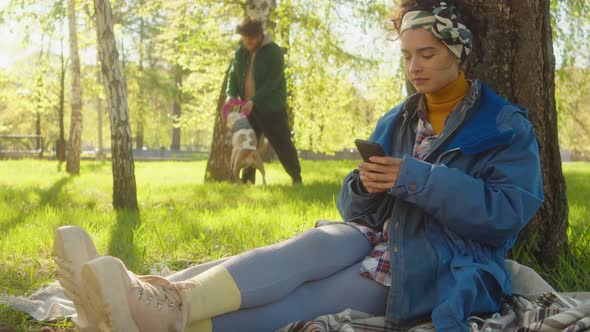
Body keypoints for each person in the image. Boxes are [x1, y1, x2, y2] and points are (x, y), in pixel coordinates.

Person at [53, 1, 544, 331]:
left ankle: (147, 315)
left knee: (315, 295)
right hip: (377, 233)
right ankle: (137, 292)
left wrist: (416, 178)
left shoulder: (504, 124)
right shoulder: (400, 117)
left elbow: (505, 215)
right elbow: (354, 207)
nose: (414, 66)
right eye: (407, 55)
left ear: (457, 53)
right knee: (308, 246)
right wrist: (365, 185)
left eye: (427, 54)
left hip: (439, 261)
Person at [226, 16, 302, 185]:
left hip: (271, 108)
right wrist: (231, 95)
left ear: (260, 35)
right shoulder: (241, 51)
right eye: (245, 39)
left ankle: (296, 178)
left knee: (281, 142)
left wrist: (255, 99)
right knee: (247, 144)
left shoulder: (274, 51)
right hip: (247, 108)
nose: (248, 42)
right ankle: (247, 180)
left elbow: (273, 81)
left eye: (251, 39)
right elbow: (233, 75)